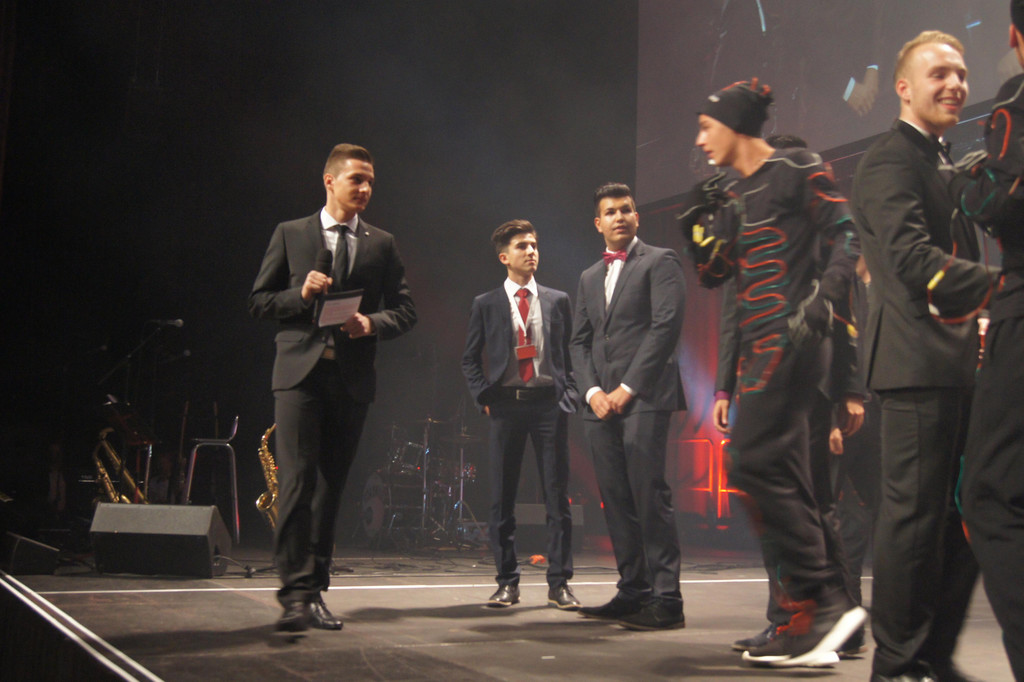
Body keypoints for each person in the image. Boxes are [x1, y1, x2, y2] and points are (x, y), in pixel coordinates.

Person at [678, 79, 864, 668]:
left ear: (733, 125)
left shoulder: (796, 167)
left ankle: (823, 605)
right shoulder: (736, 196)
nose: (700, 140)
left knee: (754, 463)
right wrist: (696, 225)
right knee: (768, 473)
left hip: (797, 341)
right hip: (759, 351)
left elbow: (848, 236)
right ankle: (811, 614)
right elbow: (716, 274)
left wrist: (824, 299)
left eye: (706, 127)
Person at [850, 32, 996, 681]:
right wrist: (1002, 286)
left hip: (957, 364)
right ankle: (899, 663)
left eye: (961, 73)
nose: (955, 84)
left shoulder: (939, 161)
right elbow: (912, 262)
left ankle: (932, 655)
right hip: (914, 367)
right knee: (913, 521)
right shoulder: (890, 160)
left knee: (966, 515)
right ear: (903, 88)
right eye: (939, 73)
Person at [248, 143, 417, 632]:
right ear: (330, 181)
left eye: (370, 182)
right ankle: (293, 594)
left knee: (329, 489)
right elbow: (259, 302)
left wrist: (372, 323)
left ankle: (316, 590)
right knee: (296, 483)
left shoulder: (381, 243)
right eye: (356, 179)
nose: (364, 189)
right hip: (299, 377)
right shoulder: (291, 233)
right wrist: (300, 294)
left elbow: (406, 310)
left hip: (350, 380)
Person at [717, 134, 867, 659]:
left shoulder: (818, 233)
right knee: (783, 502)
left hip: (808, 385)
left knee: (812, 503)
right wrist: (725, 386)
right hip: (761, 380)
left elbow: (843, 313)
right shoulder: (755, 229)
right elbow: (735, 315)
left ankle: (830, 622)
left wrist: (849, 391)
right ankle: (792, 620)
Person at [569, 182, 687, 631]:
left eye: (626, 209)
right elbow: (579, 342)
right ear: (597, 223)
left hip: (645, 397)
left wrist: (627, 387)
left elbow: (665, 327)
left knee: (647, 494)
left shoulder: (660, 261)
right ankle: (633, 590)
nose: (619, 217)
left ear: (637, 217)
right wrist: (592, 392)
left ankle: (667, 599)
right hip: (599, 404)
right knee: (615, 498)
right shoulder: (588, 277)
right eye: (610, 211)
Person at [951, 3, 1024, 678]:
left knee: (988, 494)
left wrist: (972, 187)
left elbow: (1000, 204)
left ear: (1013, 37)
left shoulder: (1013, 107)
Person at [461, 220, 580, 610]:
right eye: (521, 246)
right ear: (503, 257)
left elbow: (571, 353)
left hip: (548, 405)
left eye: (534, 245)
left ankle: (559, 584)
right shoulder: (486, 303)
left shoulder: (557, 300)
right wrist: (484, 397)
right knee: (502, 498)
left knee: (557, 498)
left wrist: (569, 394)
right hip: (507, 406)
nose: (531, 251)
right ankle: (507, 582)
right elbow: (469, 359)